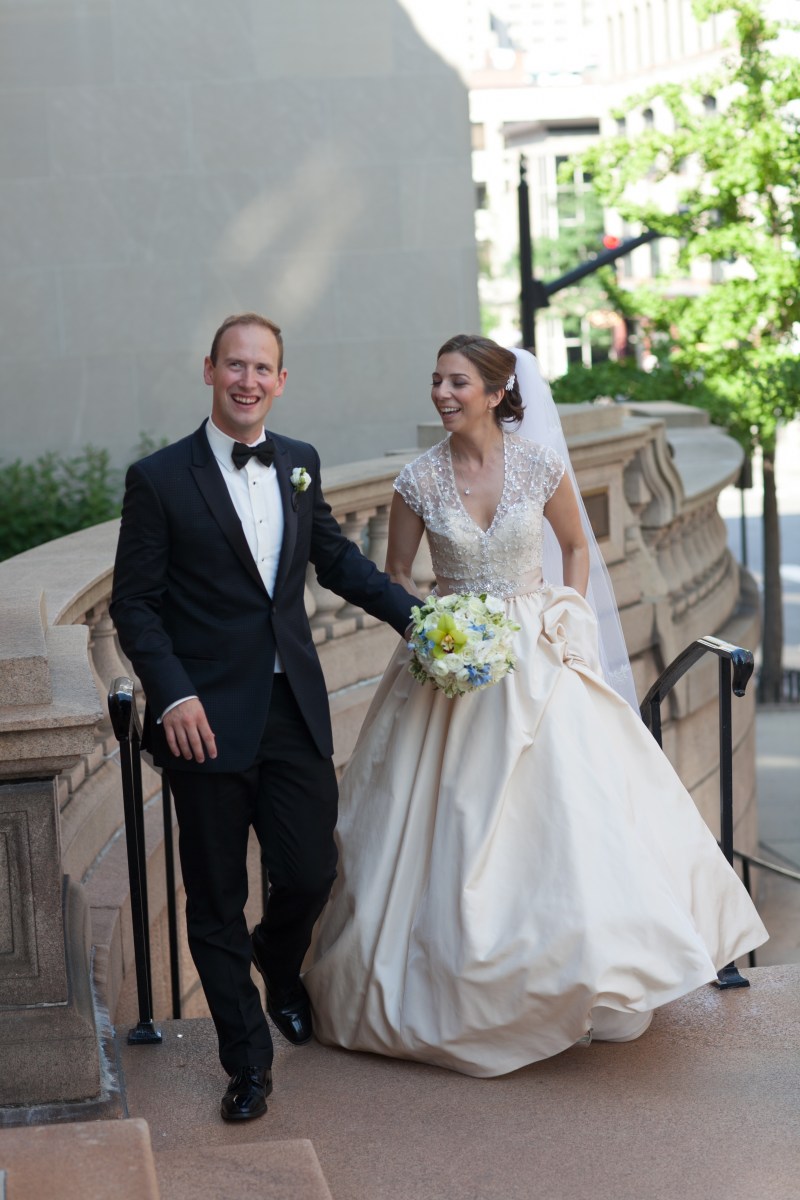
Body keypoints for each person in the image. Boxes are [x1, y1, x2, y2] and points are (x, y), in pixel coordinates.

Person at [303, 333, 768, 1078]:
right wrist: (435, 635)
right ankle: (460, 995)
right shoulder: (417, 481)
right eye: (436, 381)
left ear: (495, 392)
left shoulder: (540, 465)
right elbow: (394, 578)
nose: (443, 394)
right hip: (447, 666)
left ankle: (581, 981)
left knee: (568, 820)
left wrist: (567, 615)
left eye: (458, 382)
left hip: (537, 656)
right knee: (448, 823)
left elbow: (576, 548)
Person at [110, 313, 417, 1120]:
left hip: (291, 710)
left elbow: (337, 560)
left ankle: (279, 964)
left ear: (282, 381)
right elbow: (134, 605)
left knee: (312, 871)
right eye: (235, 365)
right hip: (201, 720)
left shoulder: (301, 464)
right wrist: (171, 694)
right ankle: (248, 1063)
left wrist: (417, 618)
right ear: (209, 369)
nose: (248, 381)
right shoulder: (160, 478)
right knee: (213, 902)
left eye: (264, 369)